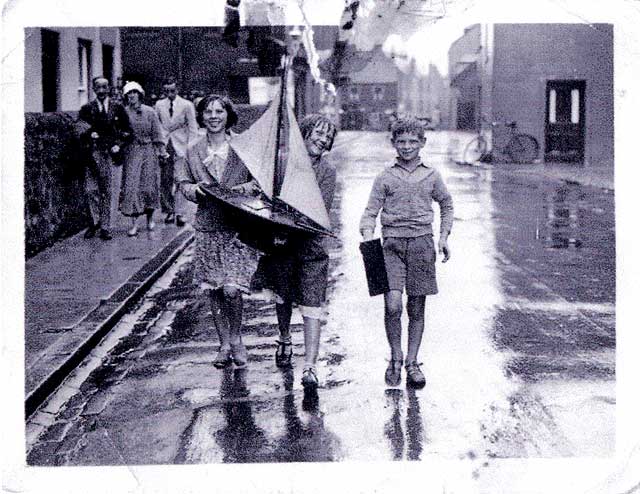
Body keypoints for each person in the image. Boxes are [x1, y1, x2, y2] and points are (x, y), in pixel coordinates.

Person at [359, 116, 453, 389]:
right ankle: (395, 358)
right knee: (392, 305)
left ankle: (412, 363)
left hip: (422, 245)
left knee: (416, 306)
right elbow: (370, 211)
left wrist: (444, 237)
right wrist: (367, 232)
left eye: (413, 141)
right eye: (402, 141)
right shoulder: (385, 176)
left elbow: (447, 204)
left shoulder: (432, 175)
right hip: (391, 247)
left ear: (423, 143)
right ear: (393, 144)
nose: (407, 146)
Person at [176, 94, 260, 369]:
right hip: (209, 227)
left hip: (237, 228)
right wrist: (195, 191)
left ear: (228, 115)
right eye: (208, 112)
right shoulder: (193, 150)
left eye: (219, 111)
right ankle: (223, 344)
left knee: (232, 289)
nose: (213, 116)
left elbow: (257, 183)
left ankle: (236, 339)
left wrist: (242, 191)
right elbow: (183, 183)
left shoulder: (243, 146)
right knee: (214, 289)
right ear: (201, 117)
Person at [255, 114, 338, 391]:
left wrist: (290, 223)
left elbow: (318, 210)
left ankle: (311, 365)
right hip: (280, 244)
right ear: (304, 133)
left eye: (327, 136)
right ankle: (285, 337)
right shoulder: (282, 163)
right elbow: (268, 197)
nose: (322, 139)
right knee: (283, 295)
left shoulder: (327, 172)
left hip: (311, 244)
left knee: (313, 303)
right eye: (318, 132)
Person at [79, 77, 133, 240]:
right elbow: (79, 128)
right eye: (98, 88)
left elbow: (128, 131)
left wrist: (119, 144)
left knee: (110, 192)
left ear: (109, 88)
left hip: (112, 155)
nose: (101, 91)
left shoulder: (118, 108)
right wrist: (88, 134)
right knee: (91, 190)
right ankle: (94, 223)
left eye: (104, 87)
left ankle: (106, 227)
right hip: (93, 155)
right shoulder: (87, 109)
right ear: (94, 89)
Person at [119, 81, 165, 236]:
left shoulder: (150, 112)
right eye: (129, 93)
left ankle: (150, 219)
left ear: (140, 94)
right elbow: (119, 132)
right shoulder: (123, 112)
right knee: (132, 187)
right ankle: (133, 224)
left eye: (134, 93)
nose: (132, 96)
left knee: (148, 186)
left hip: (149, 152)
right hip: (131, 152)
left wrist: (162, 151)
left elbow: (157, 133)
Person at [155, 77, 198, 227]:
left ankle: (180, 213)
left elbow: (193, 128)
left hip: (181, 145)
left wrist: (190, 148)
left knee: (181, 179)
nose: (169, 94)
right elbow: (157, 124)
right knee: (165, 180)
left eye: (172, 90)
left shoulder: (187, 105)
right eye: (167, 91)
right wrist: (160, 143)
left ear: (177, 90)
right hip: (165, 144)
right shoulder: (159, 105)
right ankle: (169, 211)